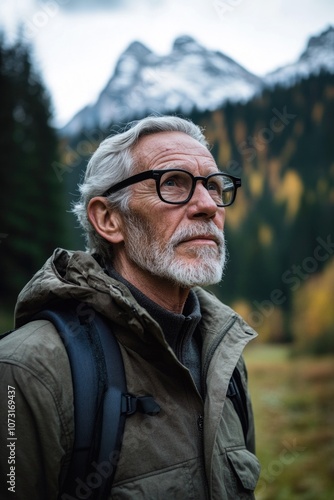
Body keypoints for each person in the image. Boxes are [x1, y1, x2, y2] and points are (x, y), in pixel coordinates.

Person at [0, 115, 260, 499]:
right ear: (108, 219)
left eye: (215, 186)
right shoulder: (26, 371)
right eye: (173, 183)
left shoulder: (224, 357)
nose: (208, 205)